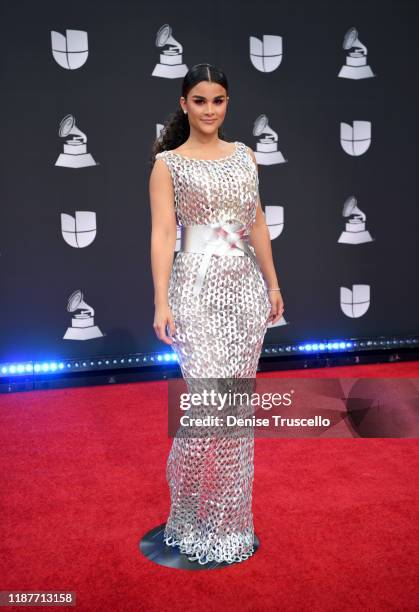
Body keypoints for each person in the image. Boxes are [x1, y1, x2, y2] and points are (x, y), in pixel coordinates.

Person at [149, 63, 284, 565]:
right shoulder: (169, 164)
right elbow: (164, 234)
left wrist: (272, 282)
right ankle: (186, 511)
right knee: (209, 406)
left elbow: (259, 224)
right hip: (195, 292)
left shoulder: (246, 157)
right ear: (185, 104)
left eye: (219, 100)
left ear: (228, 104)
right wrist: (161, 299)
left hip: (245, 291)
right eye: (200, 100)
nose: (210, 109)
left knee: (235, 410)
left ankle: (228, 524)